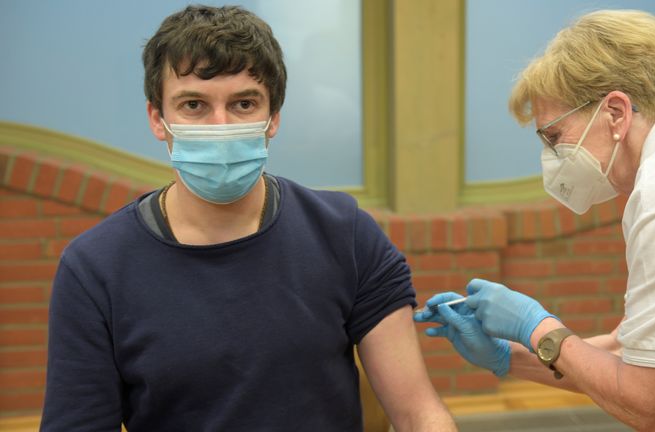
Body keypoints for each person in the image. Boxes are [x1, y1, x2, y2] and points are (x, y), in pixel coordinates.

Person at [41, 5, 456, 431]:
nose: (221, 126)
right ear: (157, 120)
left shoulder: (345, 235)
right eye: (194, 105)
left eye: (243, 103)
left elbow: (416, 413)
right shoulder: (95, 269)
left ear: (273, 117)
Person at [416, 9, 655, 431]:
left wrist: (536, 326)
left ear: (616, 112)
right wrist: (511, 356)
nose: (550, 157)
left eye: (553, 136)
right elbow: (628, 353)